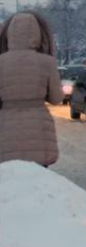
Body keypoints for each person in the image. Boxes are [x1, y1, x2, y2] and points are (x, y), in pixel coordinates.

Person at [0, 11, 64, 166]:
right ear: (37, 34)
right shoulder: (47, 62)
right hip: (39, 130)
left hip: (6, 128)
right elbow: (57, 99)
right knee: (39, 179)